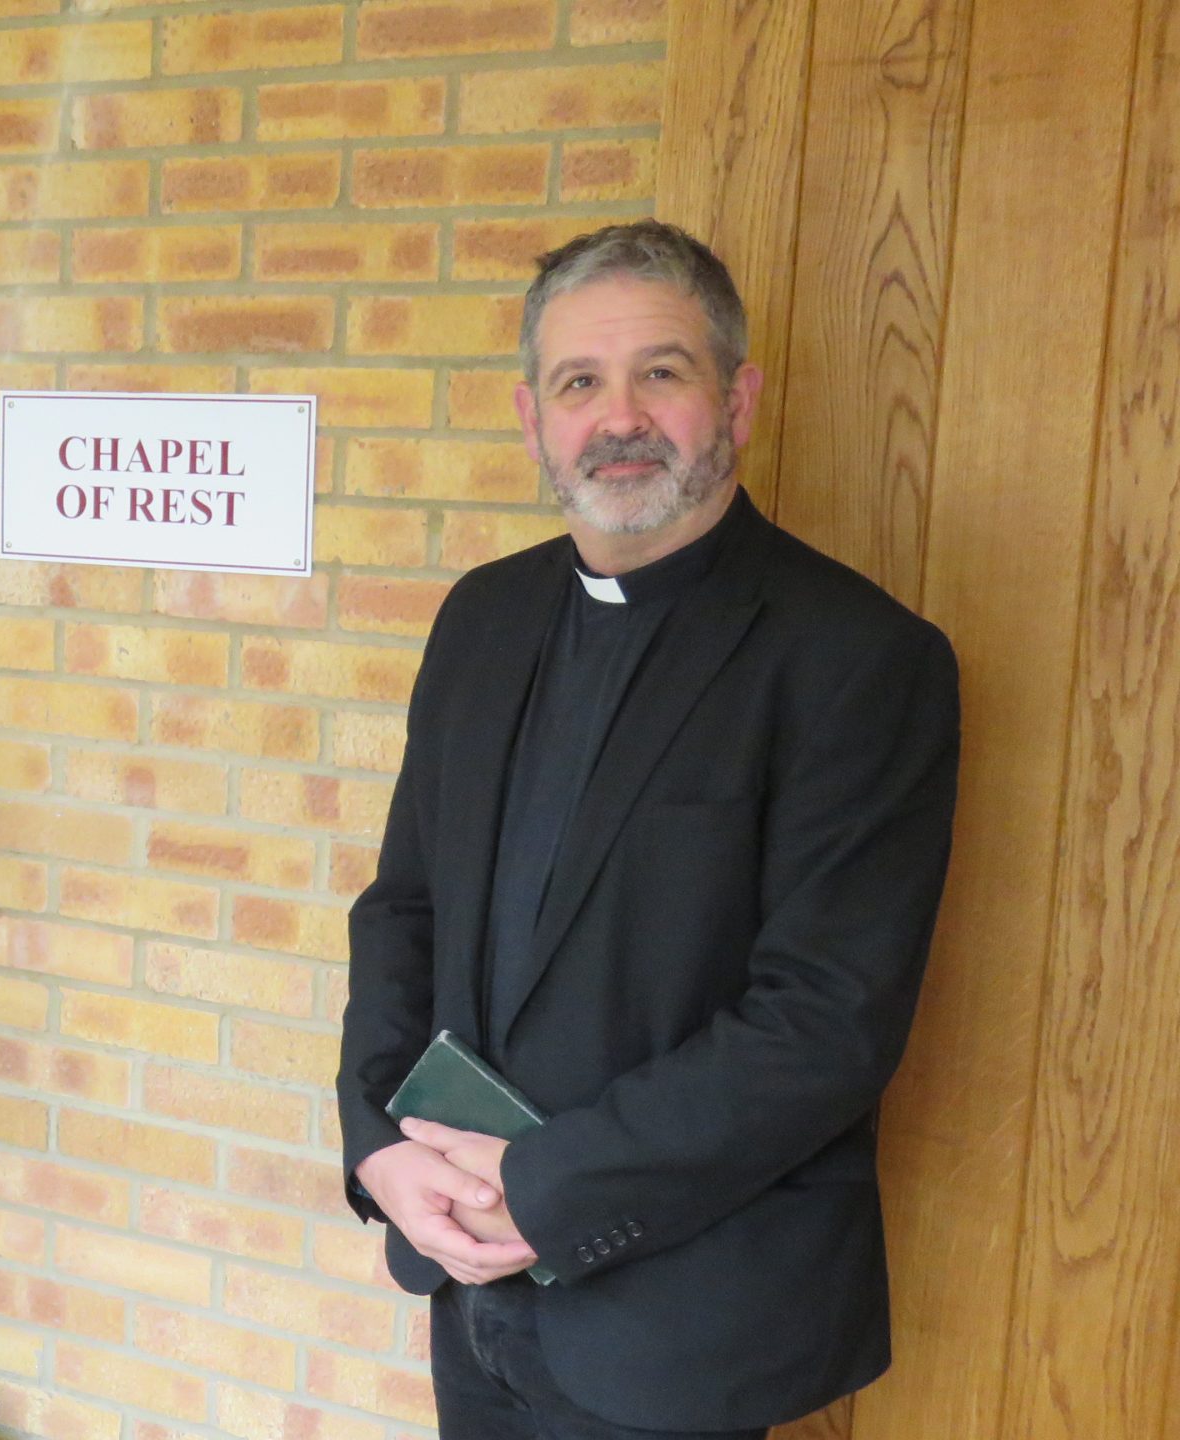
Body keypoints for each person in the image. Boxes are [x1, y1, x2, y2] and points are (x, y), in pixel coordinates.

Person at [336, 221, 961, 1439]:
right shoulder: (482, 617)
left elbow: (822, 1023)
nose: (617, 417)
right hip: (465, 1289)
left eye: (660, 373)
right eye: (579, 383)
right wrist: (376, 1145)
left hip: (678, 1321)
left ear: (737, 397)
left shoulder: (856, 659)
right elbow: (402, 905)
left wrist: (544, 1191)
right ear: (533, 419)